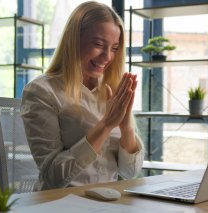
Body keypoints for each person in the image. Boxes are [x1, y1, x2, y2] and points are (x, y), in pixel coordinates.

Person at [21, 1, 144, 191]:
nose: (107, 57)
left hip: (108, 202)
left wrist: (126, 126)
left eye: (114, 48)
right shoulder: (42, 91)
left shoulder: (112, 89)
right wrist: (106, 125)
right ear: (73, 39)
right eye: (98, 44)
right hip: (62, 204)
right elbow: (53, 176)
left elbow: (130, 172)